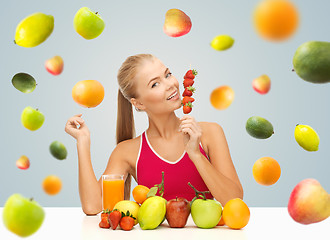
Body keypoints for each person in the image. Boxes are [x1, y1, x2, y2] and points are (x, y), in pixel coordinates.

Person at [65, 54, 243, 215]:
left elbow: (235, 200)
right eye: (155, 84)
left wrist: (196, 155)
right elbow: (93, 206)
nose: (170, 85)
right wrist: (83, 142)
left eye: (167, 74)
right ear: (139, 103)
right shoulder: (127, 151)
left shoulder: (209, 133)